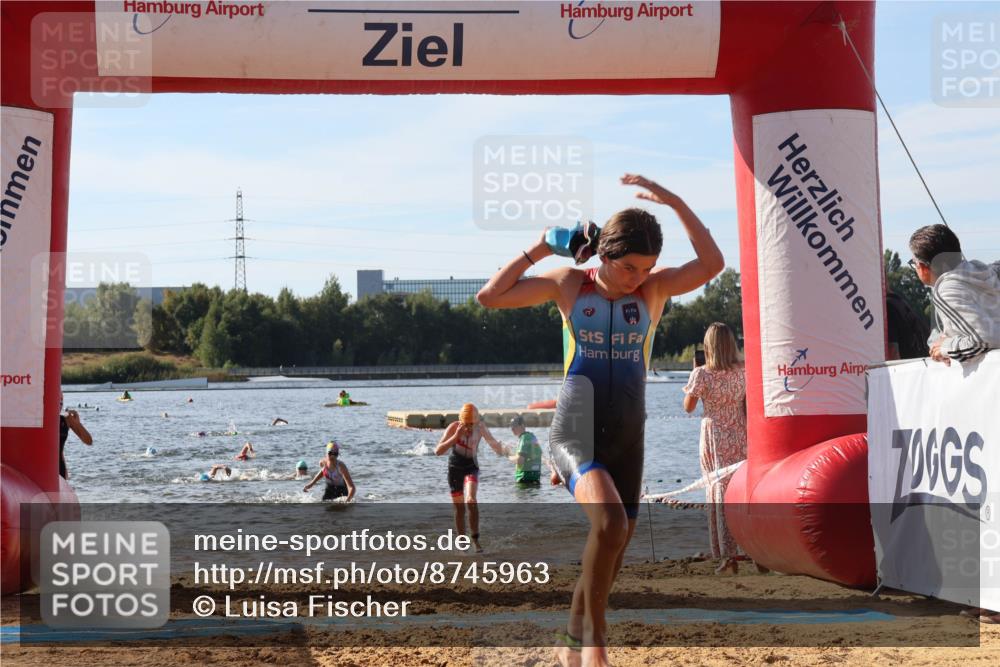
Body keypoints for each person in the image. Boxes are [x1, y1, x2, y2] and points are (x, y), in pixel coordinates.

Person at [476, 174, 723, 665]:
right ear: (605, 255)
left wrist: (673, 202)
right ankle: (596, 647)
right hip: (576, 428)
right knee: (609, 526)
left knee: (612, 544)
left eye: (647, 267)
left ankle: (570, 641)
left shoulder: (652, 292)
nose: (638, 277)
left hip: (629, 436)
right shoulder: (569, 285)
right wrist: (543, 245)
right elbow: (490, 296)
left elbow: (712, 263)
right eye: (629, 266)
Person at [683, 322, 748, 575]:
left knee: (718, 492)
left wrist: (694, 374)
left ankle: (727, 556)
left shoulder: (702, 374)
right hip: (740, 431)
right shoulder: (744, 370)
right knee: (741, 490)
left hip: (715, 435)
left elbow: (688, 407)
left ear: (708, 347)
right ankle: (753, 549)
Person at [909, 224, 1000, 364]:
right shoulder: (982, 271)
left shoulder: (946, 290)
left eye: (913, 263)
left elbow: (986, 339)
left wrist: (946, 347)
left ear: (922, 266)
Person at [435, 403, 507, 552]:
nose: (468, 428)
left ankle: (475, 540)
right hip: (454, 469)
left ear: (476, 421)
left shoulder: (480, 428)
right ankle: (462, 541)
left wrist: (503, 449)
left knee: (471, 500)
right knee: (459, 508)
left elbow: (496, 447)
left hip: (471, 467)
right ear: (461, 421)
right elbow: (438, 451)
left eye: (471, 424)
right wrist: (456, 437)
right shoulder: (454, 427)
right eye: (465, 424)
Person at [885, 289, 930, 360]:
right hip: (923, 364)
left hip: (909, 367)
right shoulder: (901, 302)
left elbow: (893, 353)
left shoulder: (888, 307)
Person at [59, 396, 94, 480]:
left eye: (61, 403)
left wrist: (78, 424)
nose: (59, 406)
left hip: (59, 468)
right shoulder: (39, 419)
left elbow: (88, 441)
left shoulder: (66, 419)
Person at [507, 416, 543, 486]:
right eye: (511, 426)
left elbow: (519, 461)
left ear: (522, 426)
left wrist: (508, 455)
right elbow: (539, 454)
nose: (512, 428)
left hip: (524, 479)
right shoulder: (532, 437)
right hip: (535, 478)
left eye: (514, 426)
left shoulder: (524, 438)